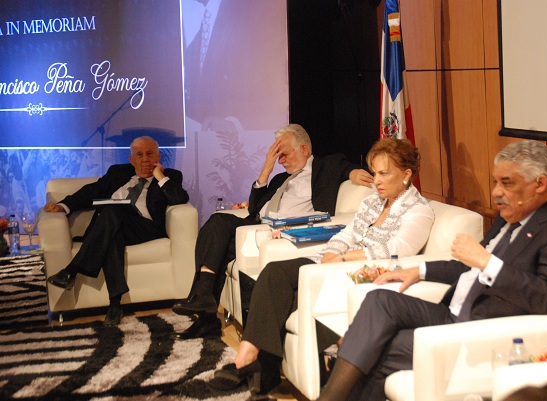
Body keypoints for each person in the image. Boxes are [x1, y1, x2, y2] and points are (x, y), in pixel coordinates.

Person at [315, 140, 547, 401]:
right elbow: (467, 264)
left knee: (377, 349)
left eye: (507, 183)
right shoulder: (510, 214)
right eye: (496, 182)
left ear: (540, 184)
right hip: (453, 311)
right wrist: (418, 271)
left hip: (482, 329)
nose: (496, 192)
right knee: (379, 300)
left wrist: (488, 263)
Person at [207, 138, 435, 394]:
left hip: (361, 275)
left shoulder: (419, 211)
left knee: (291, 296)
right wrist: (332, 252)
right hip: (332, 264)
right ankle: (250, 357)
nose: (377, 180)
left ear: (406, 175)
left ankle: (257, 365)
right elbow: (347, 234)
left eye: (384, 173)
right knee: (274, 273)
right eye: (374, 173)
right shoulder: (373, 202)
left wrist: (344, 259)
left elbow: (396, 251)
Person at [171, 124, 373, 340]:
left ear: (304, 149)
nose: (280, 160)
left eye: (283, 154)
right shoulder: (280, 179)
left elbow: (343, 166)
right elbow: (254, 208)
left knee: (217, 230)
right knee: (215, 230)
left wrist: (352, 172)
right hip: (256, 225)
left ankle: (205, 308)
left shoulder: (325, 166)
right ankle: (205, 309)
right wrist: (266, 169)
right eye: (277, 156)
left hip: (279, 231)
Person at [44, 136, 190, 326]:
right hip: (113, 226)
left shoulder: (171, 175)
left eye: (150, 154)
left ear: (158, 155)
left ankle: (72, 270)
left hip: (144, 229)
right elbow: (91, 191)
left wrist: (160, 176)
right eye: (139, 155)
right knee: (113, 232)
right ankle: (115, 305)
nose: (145, 159)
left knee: (113, 212)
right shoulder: (117, 173)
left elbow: (180, 198)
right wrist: (64, 206)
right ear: (131, 160)